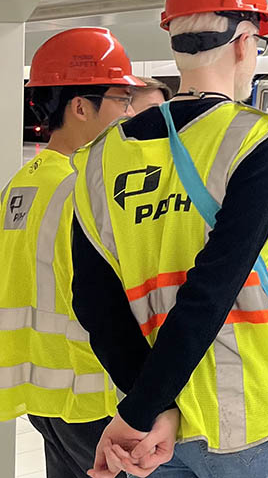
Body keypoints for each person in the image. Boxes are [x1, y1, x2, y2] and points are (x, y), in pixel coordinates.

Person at [70, 0, 268, 478]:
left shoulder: (99, 157)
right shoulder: (261, 138)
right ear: (247, 43)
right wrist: (144, 410)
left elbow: (93, 300)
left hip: (159, 427)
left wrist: (150, 407)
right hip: (254, 416)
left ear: (175, 42)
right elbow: (211, 290)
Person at [0, 27, 143, 478]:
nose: (130, 111)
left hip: (40, 393)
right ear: (80, 106)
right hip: (90, 392)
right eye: (121, 99)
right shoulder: (85, 189)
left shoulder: (21, 183)